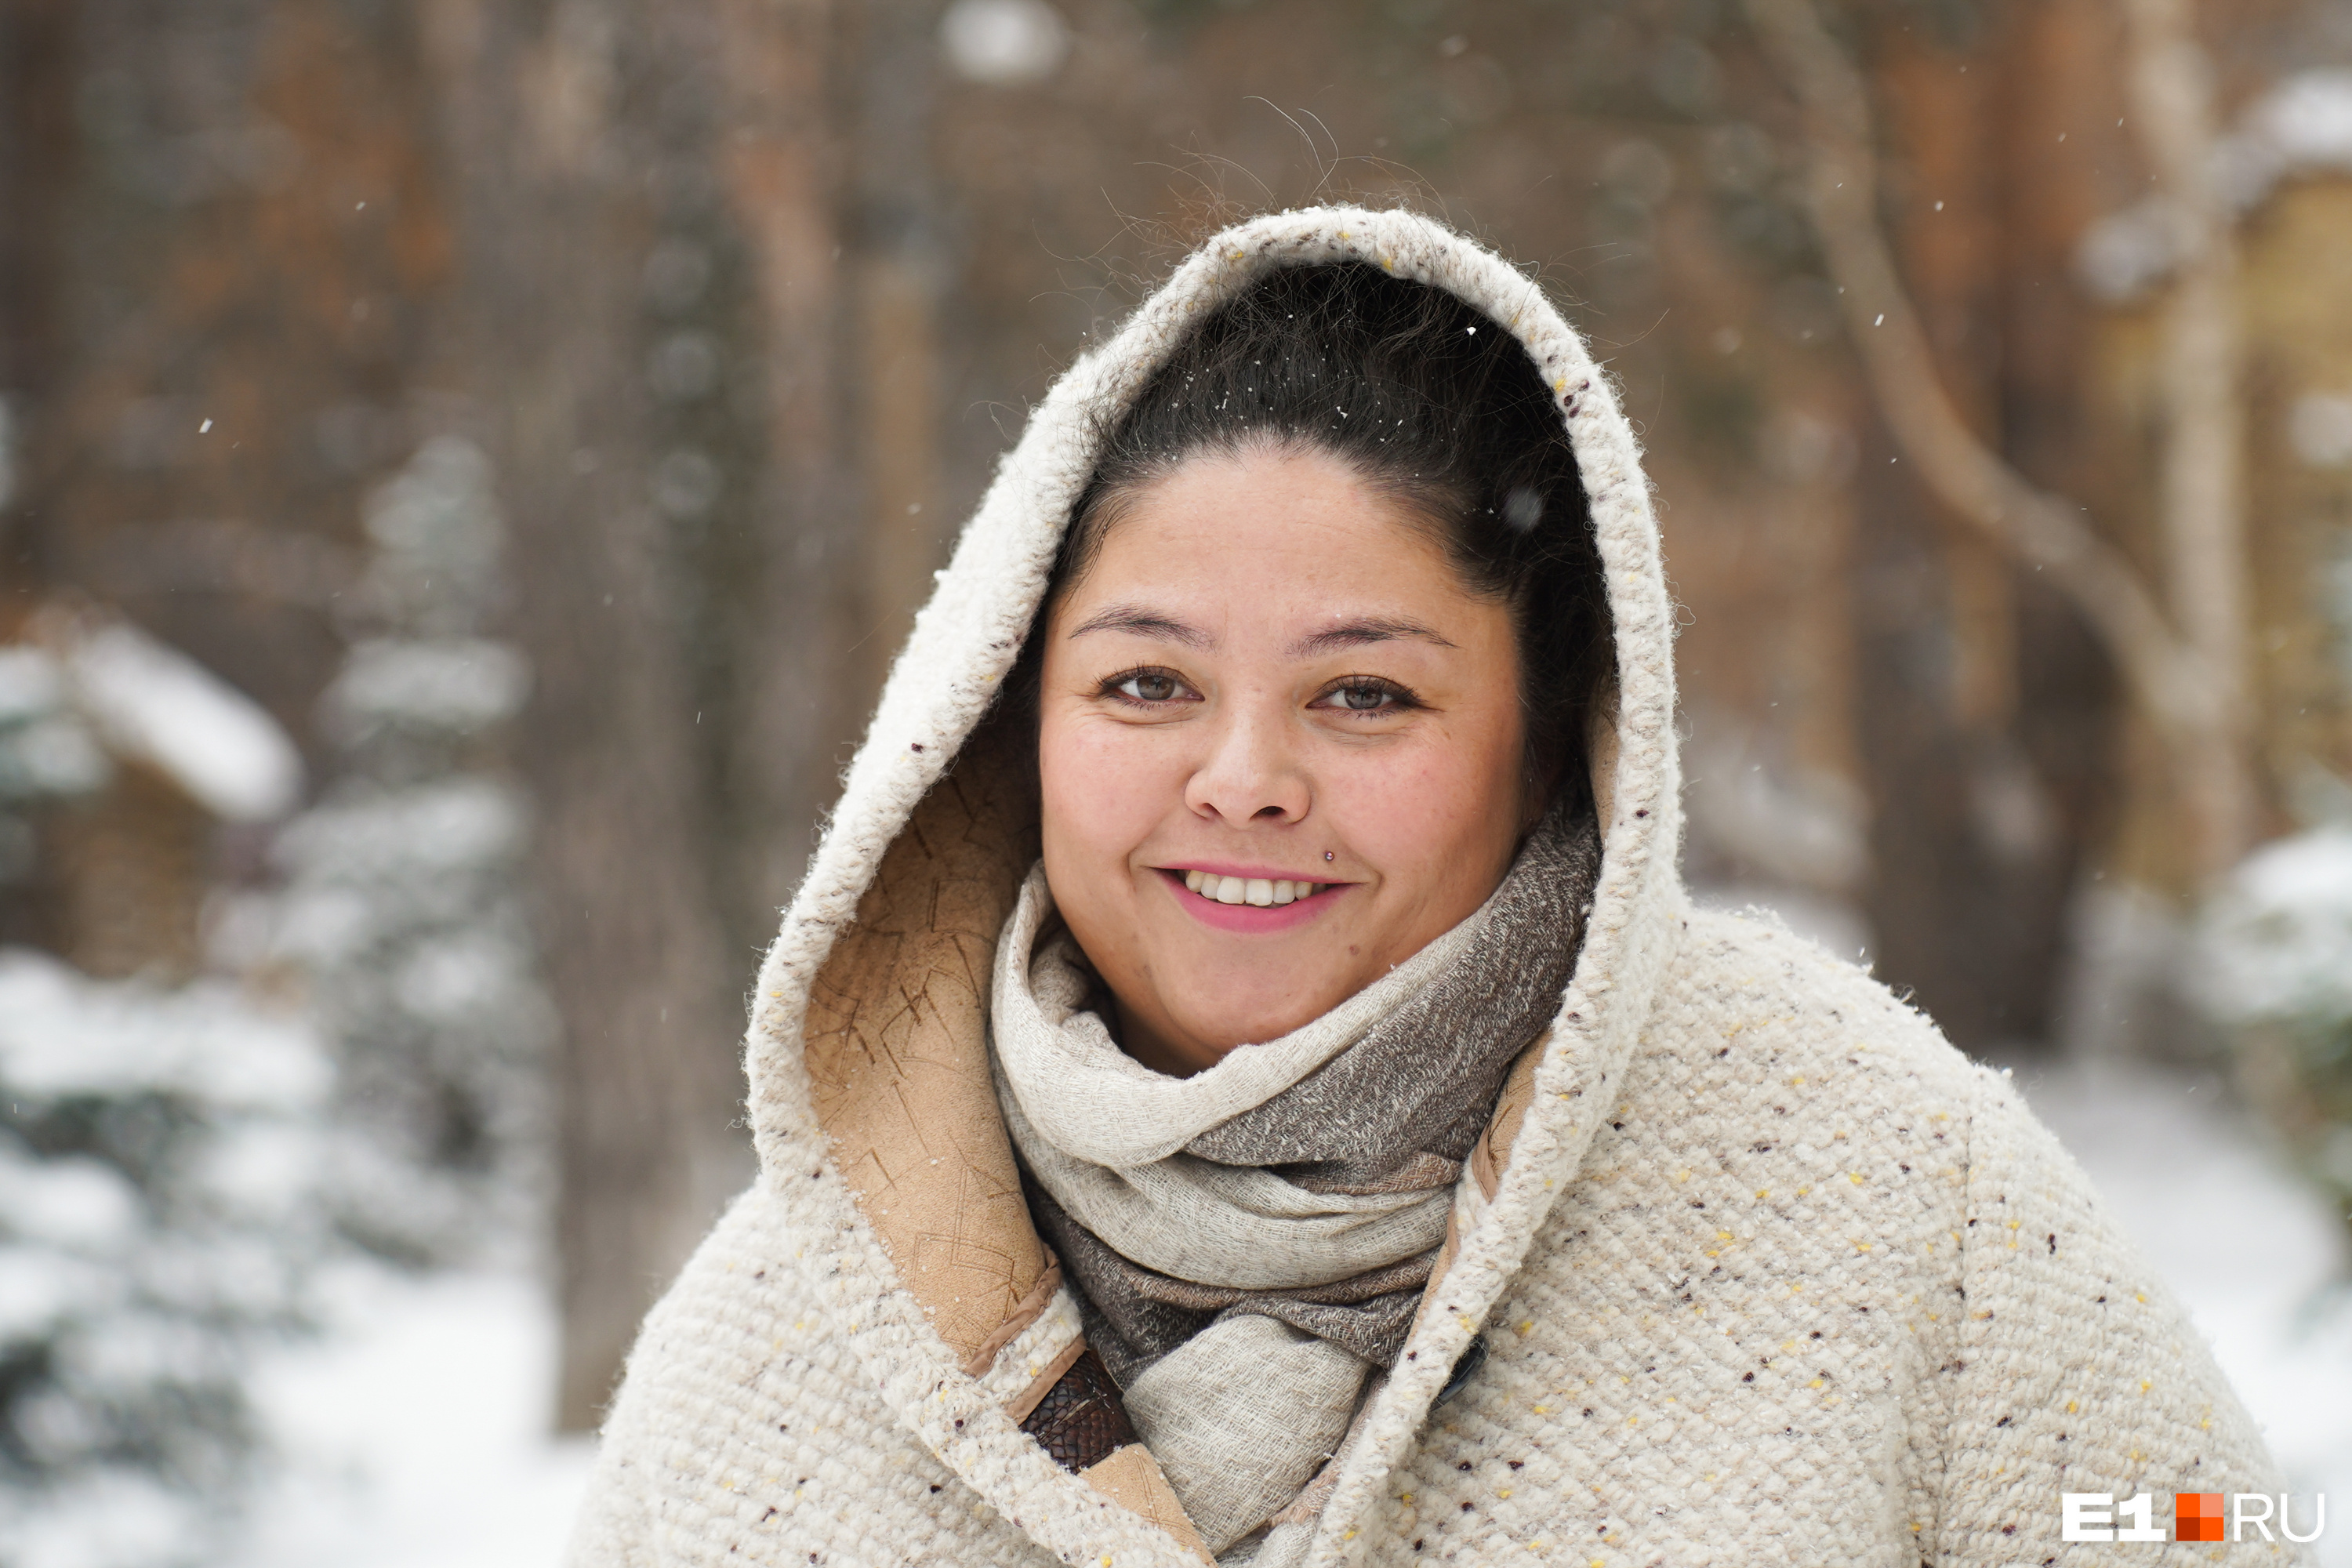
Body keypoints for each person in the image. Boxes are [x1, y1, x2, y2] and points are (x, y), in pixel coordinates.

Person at [566, 208, 2285, 1567]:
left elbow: (2212, 1530)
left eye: (1366, 693)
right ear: (1011, 719)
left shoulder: (1869, 1172)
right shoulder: (807, 1325)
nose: (1241, 776)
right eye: (1146, 684)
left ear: (1553, 741)